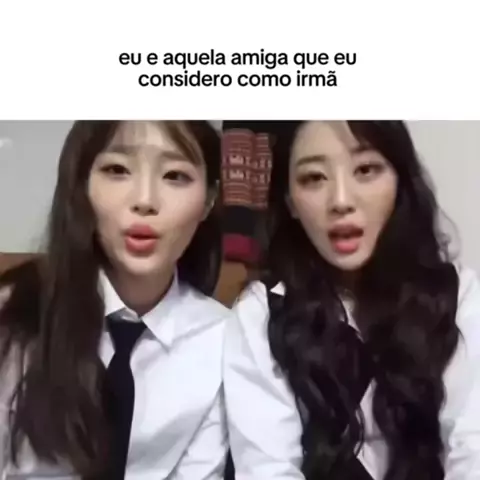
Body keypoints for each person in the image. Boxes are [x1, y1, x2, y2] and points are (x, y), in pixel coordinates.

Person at [224, 121, 480, 479]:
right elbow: (267, 469)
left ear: (400, 183)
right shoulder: (261, 313)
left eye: (366, 170)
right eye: (314, 178)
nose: (341, 201)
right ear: (290, 202)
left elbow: (472, 449)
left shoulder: (457, 295)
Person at [0, 120, 231, 479]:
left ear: (209, 200)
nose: (145, 201)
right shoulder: (15, 312)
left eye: (175, 175)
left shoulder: (224, 338)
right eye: (117, 170)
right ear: (82, 186)